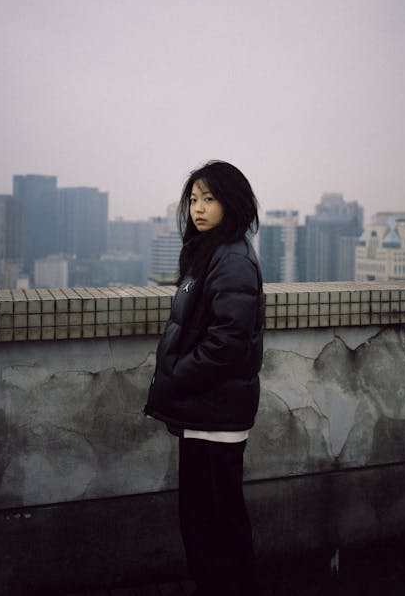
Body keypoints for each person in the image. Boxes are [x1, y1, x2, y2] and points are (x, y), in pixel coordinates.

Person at [145, 160, 264, 596]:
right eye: (194, 199)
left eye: (210, 199)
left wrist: (176, 376)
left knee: (216, 523)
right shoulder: (209, 253)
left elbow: (227, 344)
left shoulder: (230, 260)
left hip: (215, 414)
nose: (199, 207)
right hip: (206, 411)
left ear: (231, 203)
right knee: (206, 520)